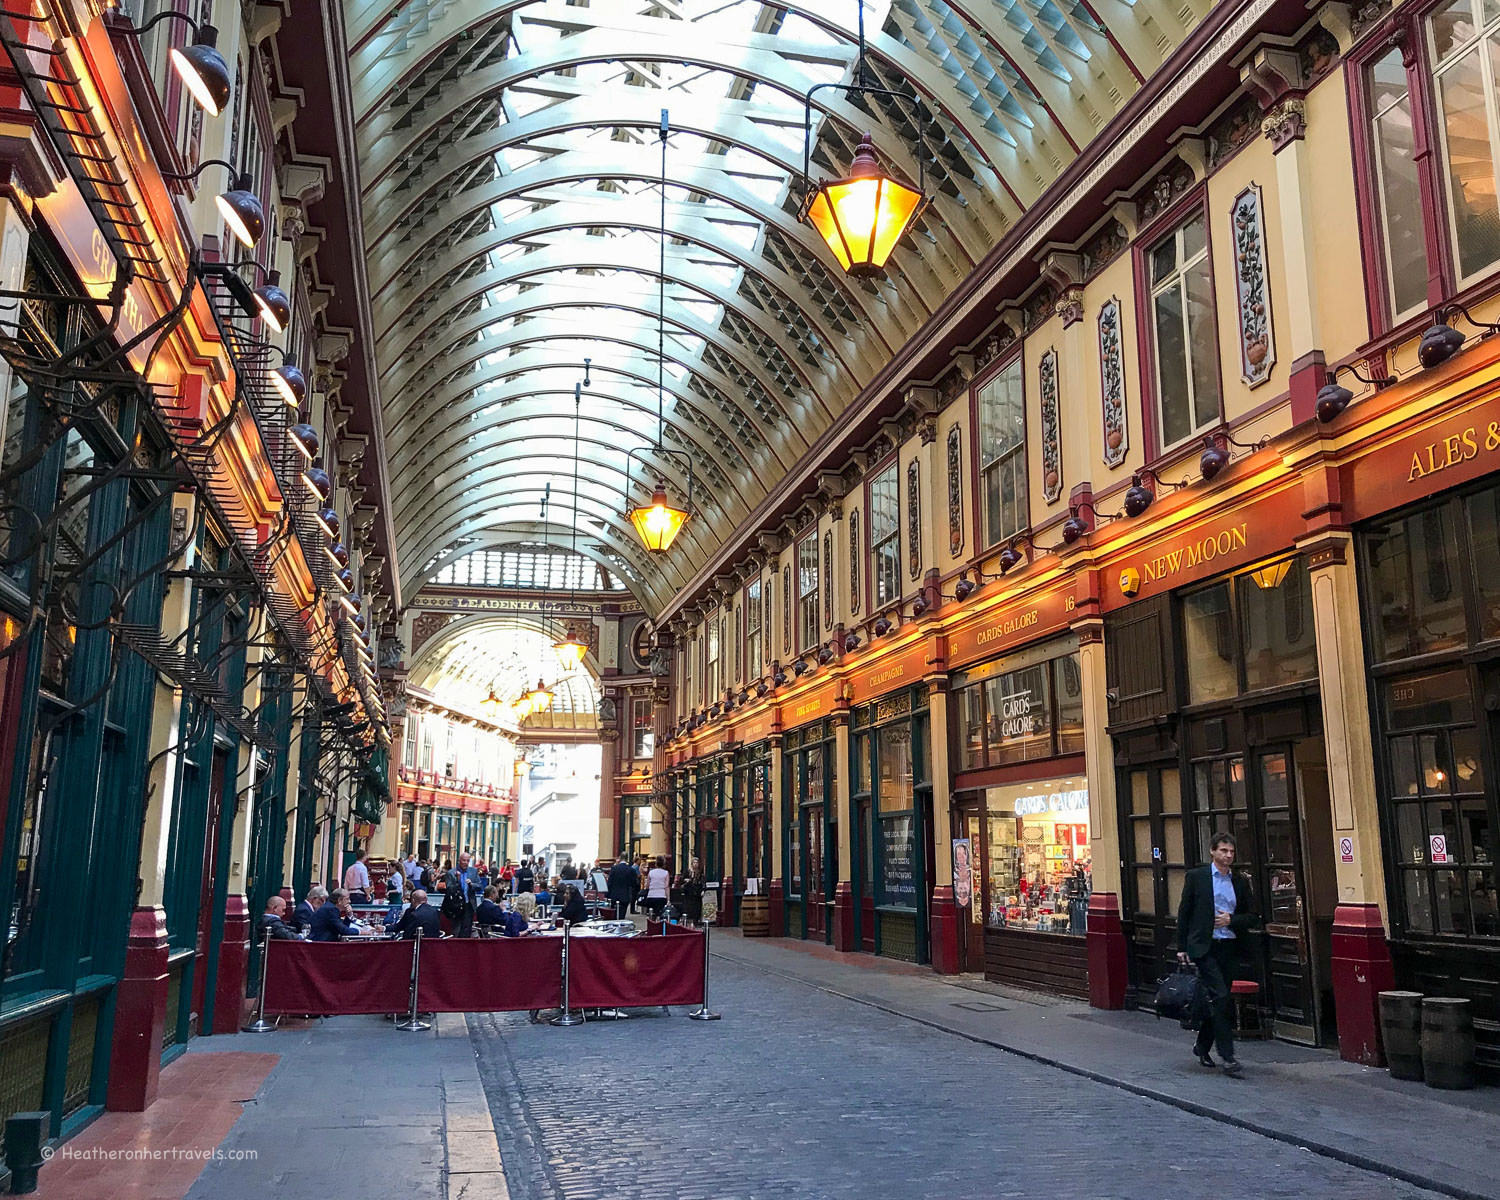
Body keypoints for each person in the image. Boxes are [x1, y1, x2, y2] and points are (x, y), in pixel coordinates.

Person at [1177, 832, 1260, 1077]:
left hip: (1229, 947)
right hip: (1204, 946)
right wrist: (1182, 947)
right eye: (1224, 850)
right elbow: (1184, 913)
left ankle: (1202, 1046)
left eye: (1232, 851)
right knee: (1222, 996)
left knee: (1218, 999)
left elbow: (1252, 916)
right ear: (1213, 851)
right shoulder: (1197, 877)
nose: (1228, 855)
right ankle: (1228, 1056)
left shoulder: (1241, 881)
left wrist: (1231, 920)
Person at [443, 853, 476, 937]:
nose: (466, 862)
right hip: (456, 905)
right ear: (459, 861)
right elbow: (449, 889)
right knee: (456, 930)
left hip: (469, 904)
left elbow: (479, 886)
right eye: (464, 860)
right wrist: (457, 881)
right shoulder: (451, 873)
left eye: (468, 861)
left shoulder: (473, 871)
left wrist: (472, 884)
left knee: (467, 930)